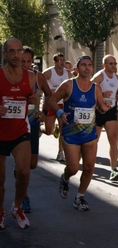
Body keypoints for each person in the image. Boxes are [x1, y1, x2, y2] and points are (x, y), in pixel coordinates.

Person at [49, 55, 110, 211]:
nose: (87, 67)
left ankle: (79, 197)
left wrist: (106, 105)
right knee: (73, 168)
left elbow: (100, 106)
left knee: (89, 167)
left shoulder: (96, 88)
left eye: (90, 65)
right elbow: (51, 100)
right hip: (71, 134)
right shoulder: (68, 85)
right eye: (83, 65)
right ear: (77, 69)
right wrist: (59, 112)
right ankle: (65, 178)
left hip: (89, 134)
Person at [0, 38, 38, 229]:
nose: (17, 55)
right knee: (0, 178)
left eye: (19, 51)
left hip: (20, 131)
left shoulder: (31, 77)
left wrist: (35, 100)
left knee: (23, 173)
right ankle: (0, 211)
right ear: (4, 54)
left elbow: (35, 99)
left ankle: (17, 207)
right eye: (12, 51)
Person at [20, 46, 52, 213]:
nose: (25, 65)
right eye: (22, 61)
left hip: (32, 123)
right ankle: (23, 197)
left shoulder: (37, 76)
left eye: (28, 61)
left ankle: (19, 173)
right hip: (13, 125)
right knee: (24, 168)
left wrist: (45, 112)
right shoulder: (10, 75)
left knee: (32, 164)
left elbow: (49, 93)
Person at [91, 55, 118, 181]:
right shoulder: (100, 76)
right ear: (104, 64)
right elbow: (89, 88)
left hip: (111, 111)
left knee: (113, 139)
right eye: (111, 63)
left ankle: (113, 169)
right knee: (94, 140)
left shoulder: (116, 77)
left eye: (115, 63)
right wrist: (102, 94)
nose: (114, 66)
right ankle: (90, 165)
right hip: (98, 110)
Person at [42, 52, 72, 162]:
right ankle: (42, 129)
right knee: (49, 131)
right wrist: (48, 91)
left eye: (63, 60)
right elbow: (38, 82)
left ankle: (60, 152)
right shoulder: (49, 72)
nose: (62, 62)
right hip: (51, 104)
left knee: (63, 129)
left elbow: (71, 87)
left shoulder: (67, 74)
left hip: (63, 105)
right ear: (54, 62)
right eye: (59, 60)